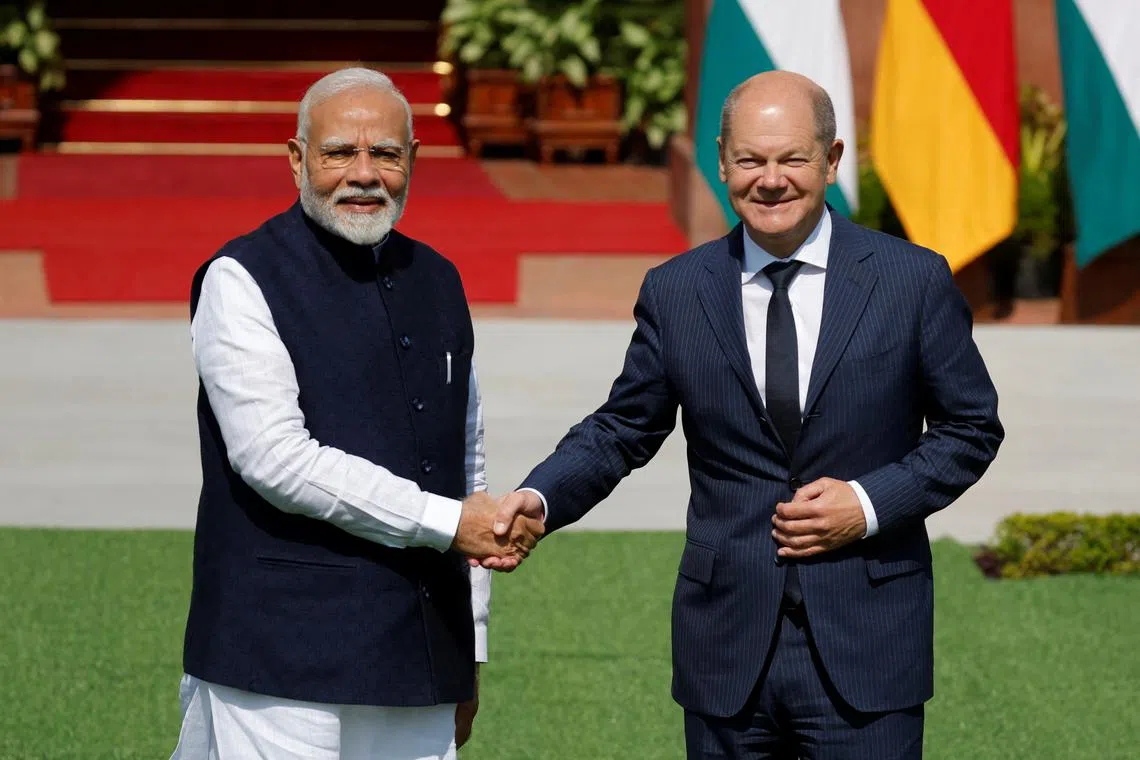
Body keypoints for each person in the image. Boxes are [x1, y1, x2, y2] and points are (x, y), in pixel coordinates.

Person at [488, 71, 1004, 758]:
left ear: (831, 159)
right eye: (751, 160)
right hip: (727, 647)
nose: (771, 180)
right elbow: (623, 427)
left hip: (869, 640)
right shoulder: (676, 292)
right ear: (723, 161)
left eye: (791, 158)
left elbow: (972, 428)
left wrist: (869, 502)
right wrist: (541, 497)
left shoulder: (912, 281)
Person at [171, 67, 542, 760]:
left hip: (419, 648)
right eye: (340, 151)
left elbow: (467, 461)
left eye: (386, 154)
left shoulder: (438, 279)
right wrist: (445, 523)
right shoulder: (240, 278)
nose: (364, 173)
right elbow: (275, 460)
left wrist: (473, 645)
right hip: (278, 658)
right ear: (296, 159)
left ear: (414, 162)